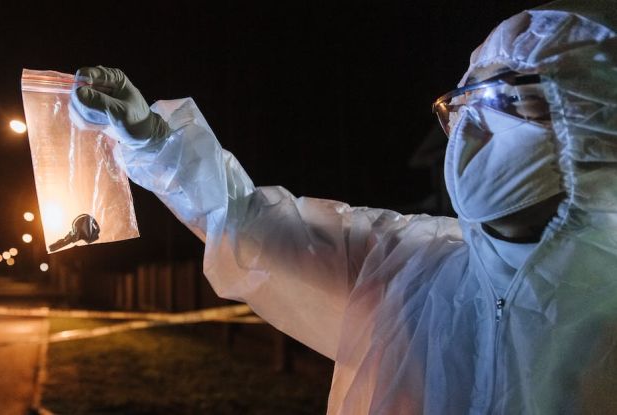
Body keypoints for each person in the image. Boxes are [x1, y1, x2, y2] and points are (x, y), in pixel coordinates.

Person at [69, 0, 617, 413]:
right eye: (462, 102)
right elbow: (249, 227)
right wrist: (153, 140)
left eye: (508, 98)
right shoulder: (409, 268)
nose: (472, 123)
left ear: (601, 127)